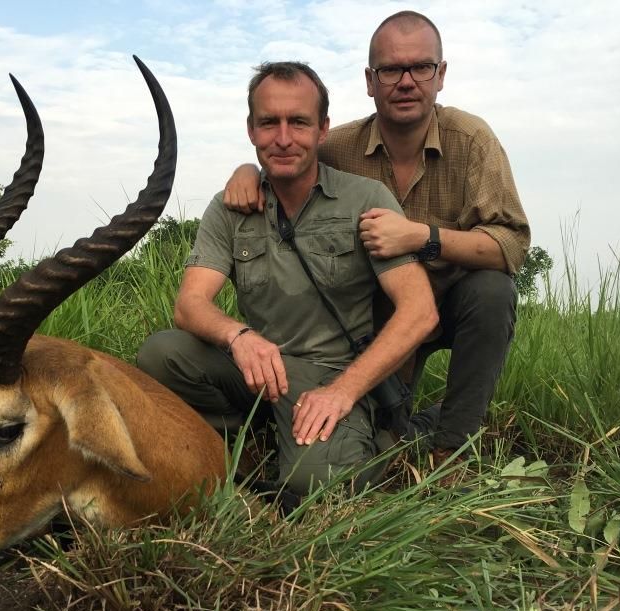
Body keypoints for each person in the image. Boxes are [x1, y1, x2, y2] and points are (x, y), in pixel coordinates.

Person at [223, 11, 530, 460]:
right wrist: (246, 170)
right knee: (387, 429)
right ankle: (399, 426)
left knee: (493, 292)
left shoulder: (473, 140)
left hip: (450, 301)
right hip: (373, 311)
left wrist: (422, 237)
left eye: (421, 67)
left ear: (441, 75)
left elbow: (512, 244)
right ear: (370, 80)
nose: (406, 81)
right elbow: (287, 154)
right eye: (390, 70)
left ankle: (450, 446)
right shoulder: (339, 147)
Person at [137, 61, 437, 498]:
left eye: (298, 122)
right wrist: (239, 337)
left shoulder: (365, 198)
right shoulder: (228, 207)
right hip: (258, 370)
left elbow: (420, 311)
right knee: (161, 354)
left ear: (322, 130)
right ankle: (268, 431)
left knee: (313, 486)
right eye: (268, 123)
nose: (282, 138)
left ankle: (378, 441)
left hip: (331, 375)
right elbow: (190, 305)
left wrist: (342, 392)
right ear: (251, 129)